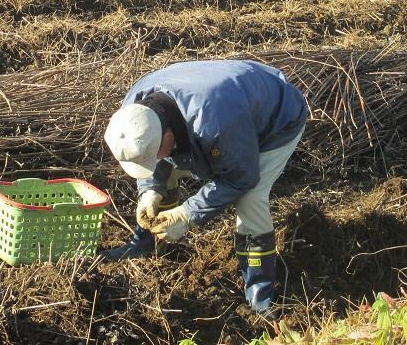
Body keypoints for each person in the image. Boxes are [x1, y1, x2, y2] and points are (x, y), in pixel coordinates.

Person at [102, 60, 308, 316]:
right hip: (219, 101)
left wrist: (186, 214)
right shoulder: (132, 113)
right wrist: (150, 191)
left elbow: (240, 178)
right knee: (163, 171)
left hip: (276, 120)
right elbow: (152, 154)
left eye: (153, 154)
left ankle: (260, 291)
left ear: (168, 137)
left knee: (250, 199)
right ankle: (147, 243)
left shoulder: (216, 125)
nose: (152, 161)